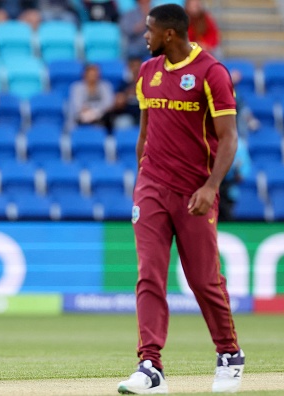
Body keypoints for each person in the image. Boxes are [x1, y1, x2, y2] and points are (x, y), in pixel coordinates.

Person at [117, 4, 244, 394]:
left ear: (169, 34)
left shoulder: (211, 73)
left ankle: (229, 354)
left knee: (204, 280)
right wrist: (142, 180)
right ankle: (150, 365)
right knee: (148, 275)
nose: (145, 36)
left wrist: (211, 187)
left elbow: (229, 138)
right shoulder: (147, 73)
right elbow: (145, 132)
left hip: (195, 193)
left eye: (150, 31)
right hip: (152, 188)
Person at [67, 63, 115, 131]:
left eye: (95, 74)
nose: (93, 76)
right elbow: (77, 105)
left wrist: (95, 113)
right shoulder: (76, 87)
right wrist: (88, 113)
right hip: (82, 117)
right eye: (91, 74)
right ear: (85, 75)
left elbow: (108, 104)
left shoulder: (106, 86)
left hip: (101, 116)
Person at [102, 56, 142, 133]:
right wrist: (126, 95)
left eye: (138, 66)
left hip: (146, 115)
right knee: (122, 123)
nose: (136, 68)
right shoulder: (124, 84)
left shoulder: (149, 83)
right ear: (129, 68)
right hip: (128, 115)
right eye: (133, 66)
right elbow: (118, 103)